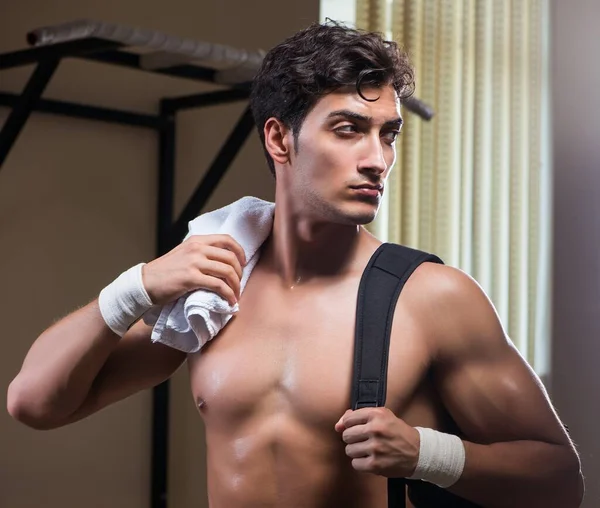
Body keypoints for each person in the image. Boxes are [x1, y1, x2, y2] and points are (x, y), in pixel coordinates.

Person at [7, 22, 584, 508]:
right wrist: (134, 287)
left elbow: (560, 479)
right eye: (348, 130)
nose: (376, 159)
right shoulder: (215, 291)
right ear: (280, 140)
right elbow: (34, 404)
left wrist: (427, 454)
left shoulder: (432, 297)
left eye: (388, 135)